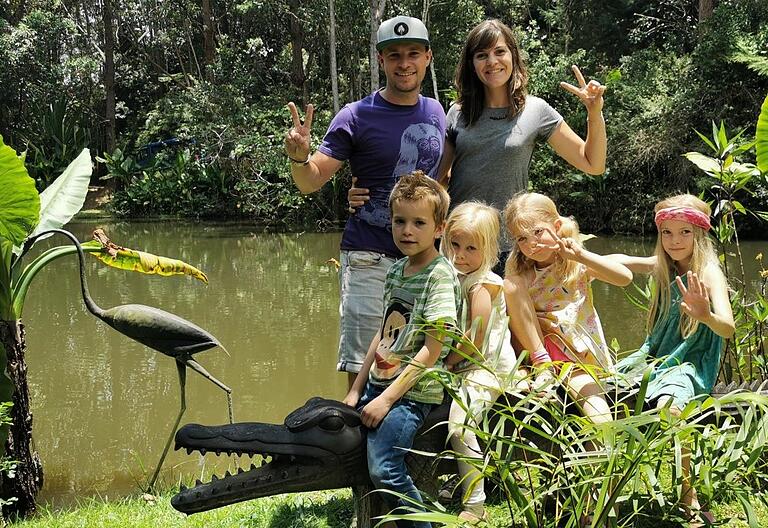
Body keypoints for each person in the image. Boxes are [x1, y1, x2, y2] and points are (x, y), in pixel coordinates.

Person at [349, 18, 607, 275]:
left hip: (512, 247)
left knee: (504, 317)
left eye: (499, 52)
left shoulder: (536, 111)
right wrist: (376, 194)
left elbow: (592, 164)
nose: (492, 62)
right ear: (472, 64)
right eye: (482, 55)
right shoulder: (457, 113)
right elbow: (435, 181)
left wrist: (594, 114)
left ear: (513, 56)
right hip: (458, 247)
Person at [284, 16, 446, 388]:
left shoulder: (437, 112)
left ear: (427, 58)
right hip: (368, 255)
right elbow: (311, 181)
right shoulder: (355, 116)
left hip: (423, 260)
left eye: (412, 54)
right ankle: (356, 441)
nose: (404, 63)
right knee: (364, 369)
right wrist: (299, 157)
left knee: (415, 364)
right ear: (381, 61)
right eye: (394, 55)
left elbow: (440, 178)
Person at [342, 171, 461, 528]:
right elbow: (383, 336)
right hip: (380, 384)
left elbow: (432, 350)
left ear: (439, 228)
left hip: (412, 394)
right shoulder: (396, 271)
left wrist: (387, 399)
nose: (407, 231)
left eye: (419, 223)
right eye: (400, 221)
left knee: (385, 468)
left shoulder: (439, 276)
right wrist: (356, 389)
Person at [610, 194, 734, 524]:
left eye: (684, 232)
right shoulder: (666, 265)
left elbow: (728, 328)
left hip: (692, 362)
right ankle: (606, 487)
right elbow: (624, 259)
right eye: (667, 233)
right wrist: (579, 259)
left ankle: (687, 492)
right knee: (608, 385)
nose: (674, 241)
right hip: (656, 356)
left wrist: (705, 315)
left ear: (700, 234)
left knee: (672, 405)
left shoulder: (708, 273)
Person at [502, 192, 632, 423]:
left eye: (538, 232)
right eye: (522, 239)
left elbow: (625, 277)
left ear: (557, 225)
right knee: (510, 284)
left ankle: (600, 458)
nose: (531, 244)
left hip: (573, 357)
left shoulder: (575, 266)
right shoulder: (520, 276)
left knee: (601, 420)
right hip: (535, 356)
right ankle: (540, 366)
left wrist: (582, 256)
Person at [439, 201, 525, 524]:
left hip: (486, 369)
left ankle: (475, 504)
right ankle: (457, 479)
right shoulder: (455, 276)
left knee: (460, 424)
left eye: (470, 248)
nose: (460, 254)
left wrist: (445, 363)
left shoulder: (481, 286)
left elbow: (475, 345)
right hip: (465, 365)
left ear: (488, 249)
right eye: (454, 245)